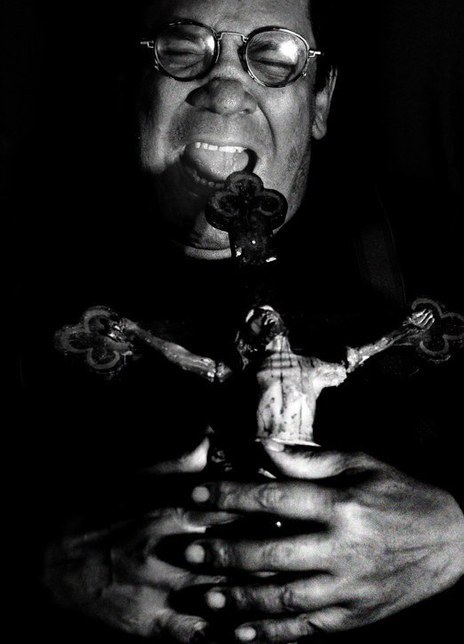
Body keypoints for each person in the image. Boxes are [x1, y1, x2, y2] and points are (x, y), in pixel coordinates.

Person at [17, 1, 464, 643]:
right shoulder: (26, 266)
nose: (225, 91)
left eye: (273, 55)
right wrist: (45, 568)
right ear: (132, 87)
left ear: (319, 102)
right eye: (182, 48)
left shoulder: (441, 245)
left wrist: (456, 540)